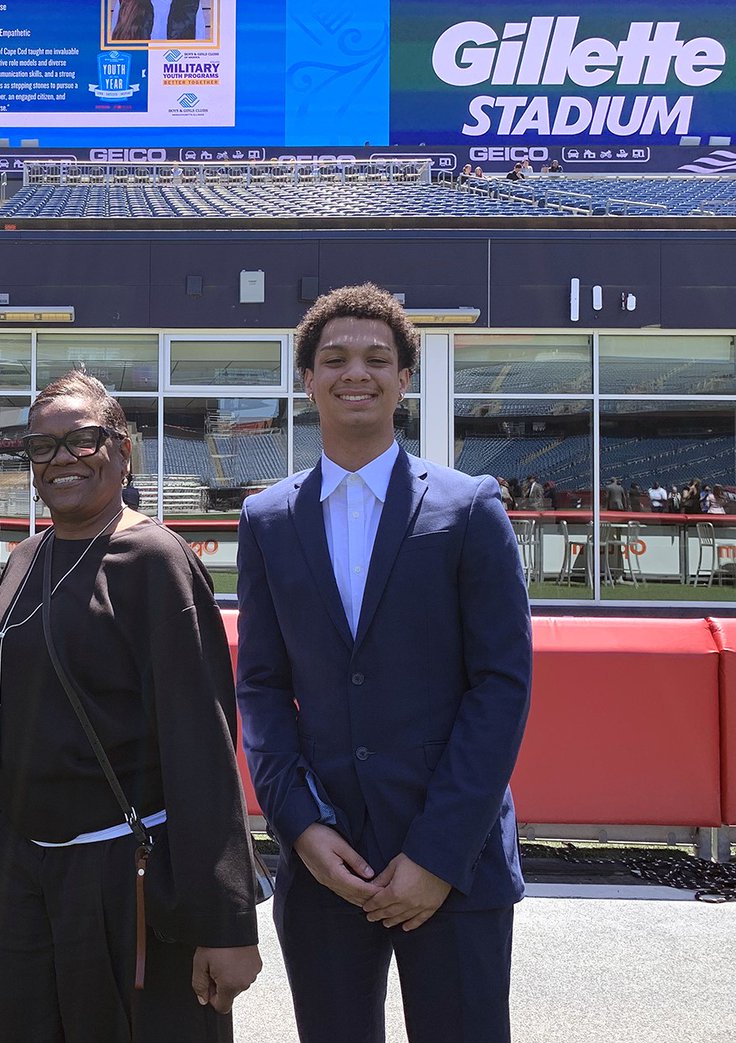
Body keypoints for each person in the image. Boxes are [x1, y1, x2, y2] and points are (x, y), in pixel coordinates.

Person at [236, 283, 531, 1043]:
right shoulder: (267, 518)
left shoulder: (470, 508)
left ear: (405, 377)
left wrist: (435, 855)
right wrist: (299, 827)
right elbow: (262, 690)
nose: (354, 372)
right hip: (327, 860)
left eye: (376, 357)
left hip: (453, 862)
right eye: (333, 358)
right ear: (307, 379)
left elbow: (500, 688)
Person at [0, 370, 261, 1043]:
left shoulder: (154, 558)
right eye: (41, 447)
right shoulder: (25, 554)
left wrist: (226, 920)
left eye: (83, 440)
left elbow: (203, 744)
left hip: (120, 868)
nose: (61, 458)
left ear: (122, 450)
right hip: (24, 866)